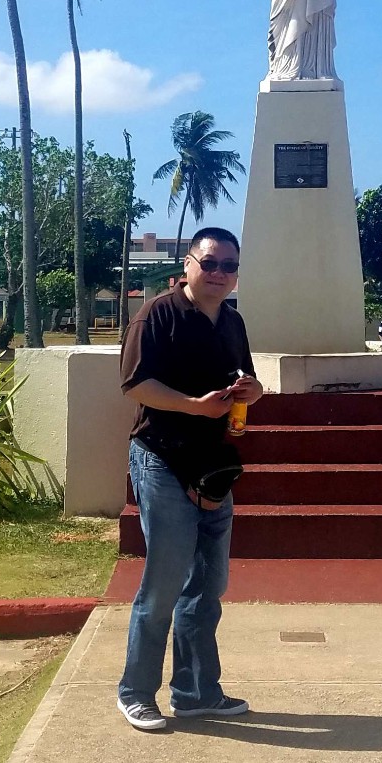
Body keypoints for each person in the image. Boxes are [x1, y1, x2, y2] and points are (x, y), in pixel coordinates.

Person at [116, 226, 263, 732]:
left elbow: (247, 382)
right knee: (165, 582)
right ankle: (135, 692)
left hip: (213, 464)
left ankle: (197, 692)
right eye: (211, 263)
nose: (220, 273)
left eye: (230, 266)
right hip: (161, 458)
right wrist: (193, 407)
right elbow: (136, 384)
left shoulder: (233, 321)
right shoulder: (157, 314)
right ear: (188, 264)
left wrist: (254, 390)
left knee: (208, 583)